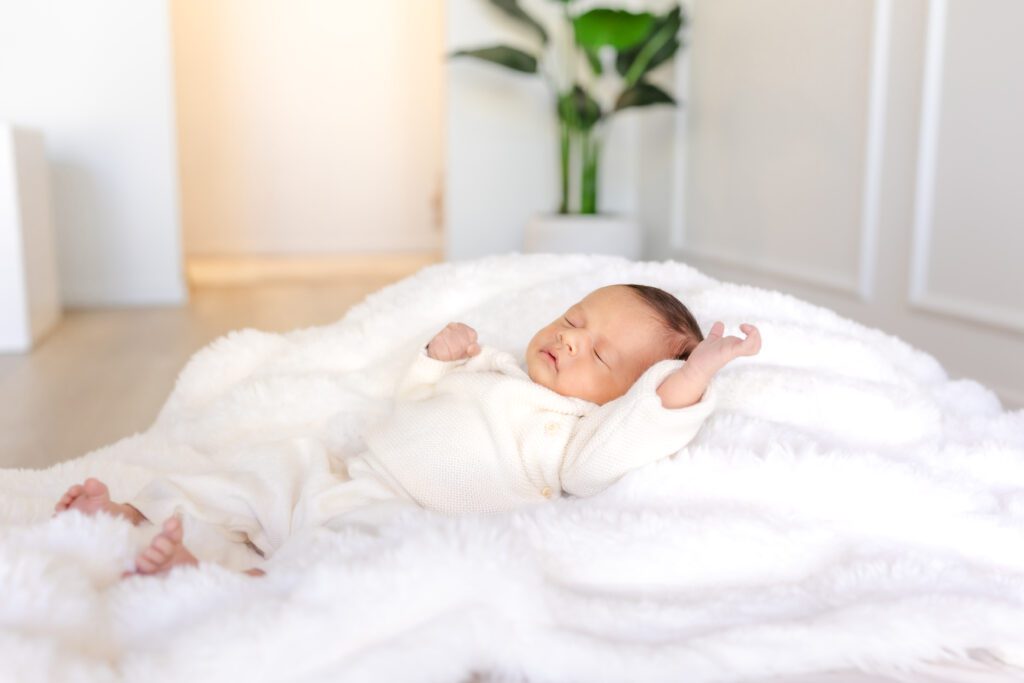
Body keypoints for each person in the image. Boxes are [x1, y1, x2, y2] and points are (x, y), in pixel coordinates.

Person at [54, 284, 761, 576]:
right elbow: (412, 404)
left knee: (338, 568)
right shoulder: (496, 366)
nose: (573, 340)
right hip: (343, 473)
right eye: (575, 320)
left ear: (624, 392)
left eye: (600, 354)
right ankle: (144, 514)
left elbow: (632, 438)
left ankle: (216, 581)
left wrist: (694, 375)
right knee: (259, 468)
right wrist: (434, 362)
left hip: (397, 515)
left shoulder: (576, 435)